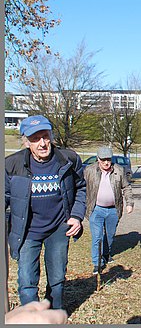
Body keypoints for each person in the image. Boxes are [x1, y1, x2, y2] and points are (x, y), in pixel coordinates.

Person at [5, 115, 86, 309]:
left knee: (57, 279)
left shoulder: (68, 160)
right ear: (27, 142)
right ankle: (33, 318)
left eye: (45, 136)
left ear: (51, 136)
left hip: (58, 229)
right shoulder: (11, 165)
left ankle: (53, 314)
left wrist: (76, 216)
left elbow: (81, 188)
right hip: (26, 231)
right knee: (27, 282)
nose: (42, 143)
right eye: (35, 139)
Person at [84, 146, 134, 274]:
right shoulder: (89, 170)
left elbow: (126, 187)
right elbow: (81, 188)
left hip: (113, 210)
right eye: (103, 160)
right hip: (96, 209)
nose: (106, 163)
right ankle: (97, 263)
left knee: (110, 236)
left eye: (108, 160)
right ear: (98, 159)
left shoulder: (119, 170)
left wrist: (129, 203)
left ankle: (106, 254)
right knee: (97, 237)